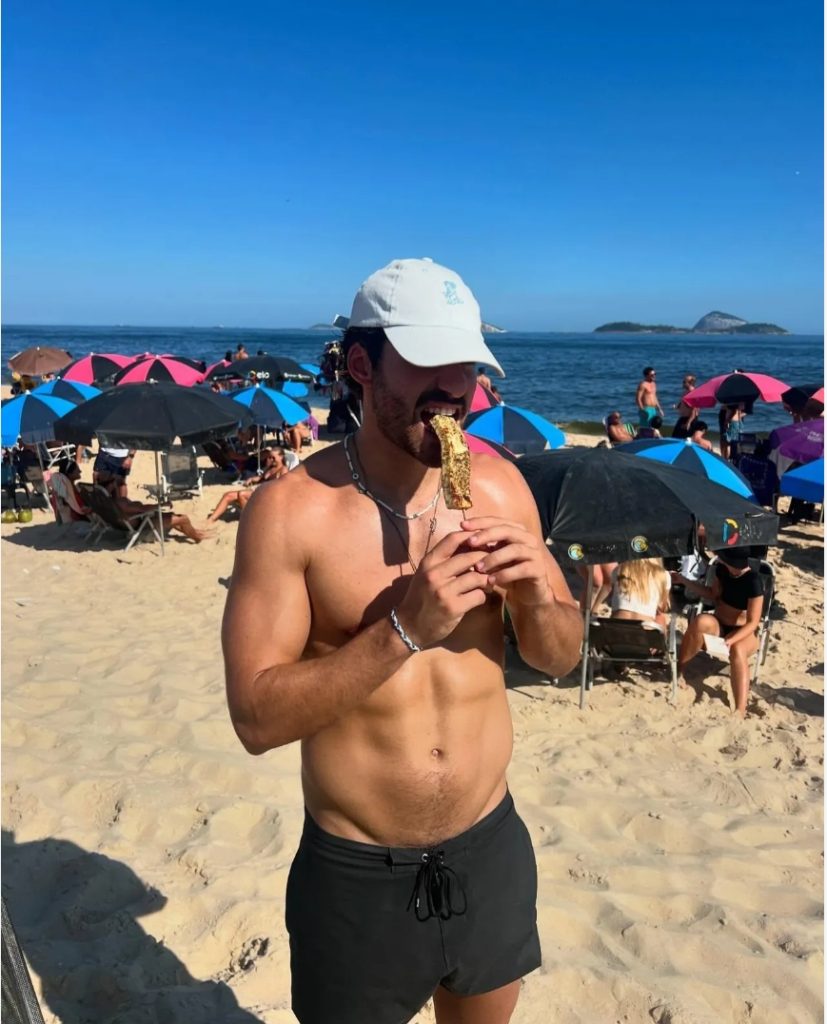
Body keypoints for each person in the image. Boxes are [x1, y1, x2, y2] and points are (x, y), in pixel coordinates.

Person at [222, 257, 582, 1024]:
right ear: (360, 366)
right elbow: (255, 718)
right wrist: (402, 630)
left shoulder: (501, 489)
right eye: (428, 364)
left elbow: (559, 657)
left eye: (468, 368)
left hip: (489, 849)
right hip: (357, 876)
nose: (454, 391)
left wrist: (535, 600)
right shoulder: (290, 513)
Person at [673, 547, 763, 717]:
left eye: (723, 557)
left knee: (738, 649)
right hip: (719, 624)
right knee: (700, 621)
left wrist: (732, 640)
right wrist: (683, 580)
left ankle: (740, 709)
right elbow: (711, 594)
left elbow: (753, 622)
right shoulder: (722, 571)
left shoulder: (753, 581)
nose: (719, 559)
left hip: (743, 631)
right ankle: (679, 671)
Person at [206, 449, 289, 523]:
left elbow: (283, 488)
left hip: (267, 495)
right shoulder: (271, 467)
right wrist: (252, 479)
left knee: (242, 494)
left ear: (281, 457)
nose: (270, 459)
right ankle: (211, 520)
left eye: (273, 457)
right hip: (258, 490)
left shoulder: (283, 470)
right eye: (269, 457)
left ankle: (250, 520)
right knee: (228, 495)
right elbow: (262, 478)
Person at [610, 558, 671, 628]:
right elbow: (662, 607)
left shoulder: (619, 569)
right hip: (644, 629)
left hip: (616, 627)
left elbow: (612, 601)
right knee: (660, 617)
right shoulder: (663, 574)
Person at [50, 459, 91, 523]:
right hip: (78, 521)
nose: (80, 471)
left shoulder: (63, 489)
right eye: (77, 470)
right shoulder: (69, 493)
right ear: (70, 474)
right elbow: (81, 511)